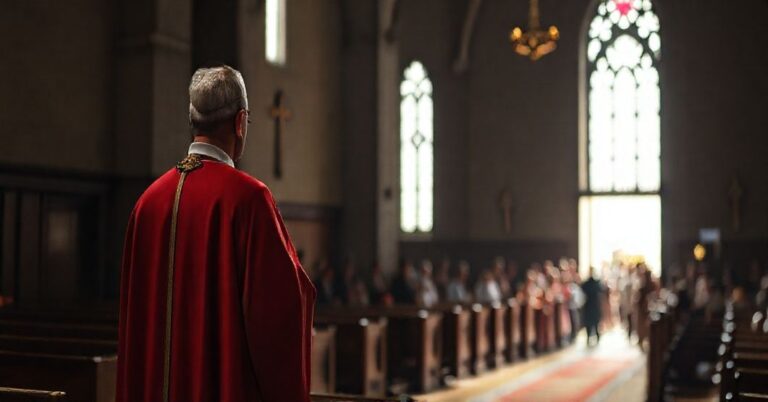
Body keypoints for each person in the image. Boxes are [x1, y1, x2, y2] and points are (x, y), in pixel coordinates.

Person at [117, 66, 316, 402]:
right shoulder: (250, 200)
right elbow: (277, 316)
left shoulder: (147, 204)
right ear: (240, 122)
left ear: (193, 120)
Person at [581, 266, 604, 346]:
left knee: (596, 323)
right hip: (588, 305)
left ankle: (597, 336)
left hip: (594, 305)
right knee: (589, 323)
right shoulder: (586, 283)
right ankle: (588, 337)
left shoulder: (596, 283)